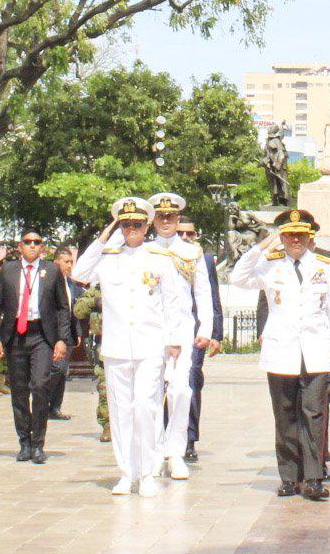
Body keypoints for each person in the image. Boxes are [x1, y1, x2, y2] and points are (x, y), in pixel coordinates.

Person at [230, 208, 330, 502]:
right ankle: (288, 477)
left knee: (314, 415)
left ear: (309, 237)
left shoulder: (324, 265)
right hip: (281, 351)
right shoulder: (270, 265)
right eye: (289, 235)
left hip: (316, 351)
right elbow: (238, 277)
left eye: (300, 235)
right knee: (284, 416)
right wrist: (263, 245)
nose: (295, 240)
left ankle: (312, 477)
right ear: (281, 237)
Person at [73, 197, 190, 498]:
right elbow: (80, 272)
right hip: (116, 347)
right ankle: (127, 472)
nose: (132, 229)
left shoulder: (158, 258)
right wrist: (106, 232)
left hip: (150, 345)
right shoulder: (108, 257)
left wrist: (174, 340)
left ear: (147, 225)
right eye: (126, 224)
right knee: (120, 411)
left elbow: (173, 301)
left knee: (145, 407)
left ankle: (149, 472)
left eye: (137, 224)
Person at [145, 196, 219, 479]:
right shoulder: (145, 250)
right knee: (151, 393)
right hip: (151, 330)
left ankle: (174, 451)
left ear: (178, 219)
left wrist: (205, 330)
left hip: (182, 329)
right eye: (161, 216)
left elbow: (203, 292)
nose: (166, 221)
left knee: (181, 391)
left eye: (171, 217)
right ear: (153, 220)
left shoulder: (192, 252)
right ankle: (153, 452)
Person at [0, 227, 71, 465]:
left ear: (42, 247)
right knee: (19, 390)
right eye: (28, 242)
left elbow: (63, 308)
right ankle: (24, 441)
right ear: (20, 247)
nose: (32, 246)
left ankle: (38, 443)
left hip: (42, 336)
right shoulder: (8, 270)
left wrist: (61, 339)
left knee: (40, 386)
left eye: (37, 242)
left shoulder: (52, 271)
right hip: (15, 336)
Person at [176, 218, 222, 464]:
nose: (185, 238)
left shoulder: (203, 260)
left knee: (192, 379)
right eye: (180, 233)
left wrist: (215, 334)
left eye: (189, 234)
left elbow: (213, 297)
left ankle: (190, 438)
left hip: (195, 332)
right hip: (167, 331)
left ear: (196, 236)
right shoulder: (162, 254)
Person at [47, 245, 84, 424]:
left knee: (63, 372)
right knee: (56, 368)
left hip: (68, 332)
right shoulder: (49, 282)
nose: (69, 265)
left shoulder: (71, 283)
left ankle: (55, 407)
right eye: (66, 262)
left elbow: (72, 310)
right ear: (56, 263)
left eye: (71, 262)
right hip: (53, 334)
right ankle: (43, 403)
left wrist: (77, 332)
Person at [72, 283, 108, 442]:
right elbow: (78, 311)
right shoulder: (97, 289)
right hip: (104, 346)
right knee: (105, 387)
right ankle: (108, 425)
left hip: (131, 344)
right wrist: (95, 301)